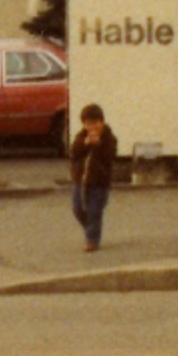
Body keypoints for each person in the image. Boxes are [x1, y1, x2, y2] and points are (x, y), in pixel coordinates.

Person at [70, 102, 118, 252]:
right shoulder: (81, 137)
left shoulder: (109, 137)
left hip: (99, 182)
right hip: (81, 180)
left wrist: (98, 145)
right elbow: (73, 153)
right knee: (78, 208)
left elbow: (109, 155)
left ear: (102, 122)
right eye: (89, 124)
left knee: (94, 211)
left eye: (96, 123)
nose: (93, 127)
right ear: (84, 124)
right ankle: (91, 227)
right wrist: (86, 143)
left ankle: (92, 240)